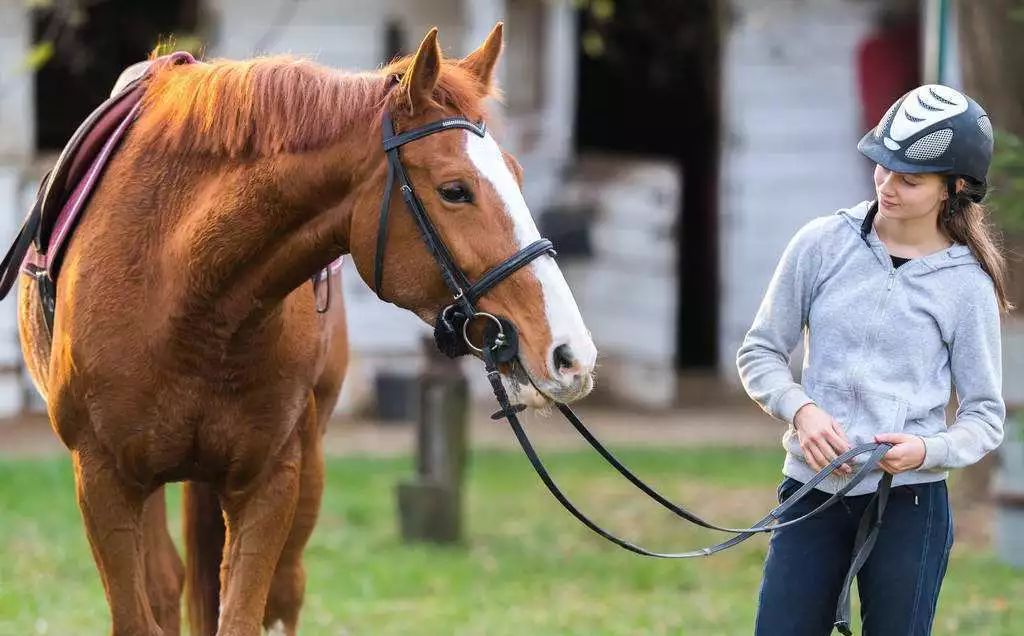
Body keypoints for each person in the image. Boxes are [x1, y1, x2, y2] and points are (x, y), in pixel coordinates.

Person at [737, 84, 1010, 635]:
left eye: (910, 179)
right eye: (883, 167)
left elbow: (985, 416)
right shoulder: (820, 244)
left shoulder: (967, 287)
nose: (888, 185)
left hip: (910, 505)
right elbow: (760, 351)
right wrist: (801, 410)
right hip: (811, 493)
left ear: (954, 188)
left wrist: (927, 450)